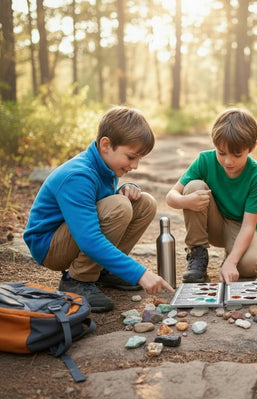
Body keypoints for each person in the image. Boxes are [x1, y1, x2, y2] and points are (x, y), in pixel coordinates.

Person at [24, 106, 174, 313]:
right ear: (106, 145)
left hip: (72, 234)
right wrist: (140, 273)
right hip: (49, 246)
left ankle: (104, 271)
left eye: (139, 158)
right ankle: (76, 280)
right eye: (131, 157)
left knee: (145, 203)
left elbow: (99, 201)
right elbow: (90, 238)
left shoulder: (105, 164)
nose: (136, 165)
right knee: (119, 207)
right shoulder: (78, 176)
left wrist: (124, 189)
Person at [166, 108, 257, 284]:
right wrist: (186, 201)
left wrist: (231, 261)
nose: (228, 161)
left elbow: (248, 226)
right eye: (221, 153)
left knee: (247, 267)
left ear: (252, 148)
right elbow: (171, 196)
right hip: (214, 222)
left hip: (239, 226)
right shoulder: (205, 160)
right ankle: (197, 254)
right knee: (193, 186)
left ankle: (231, 254)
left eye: (237, 155)